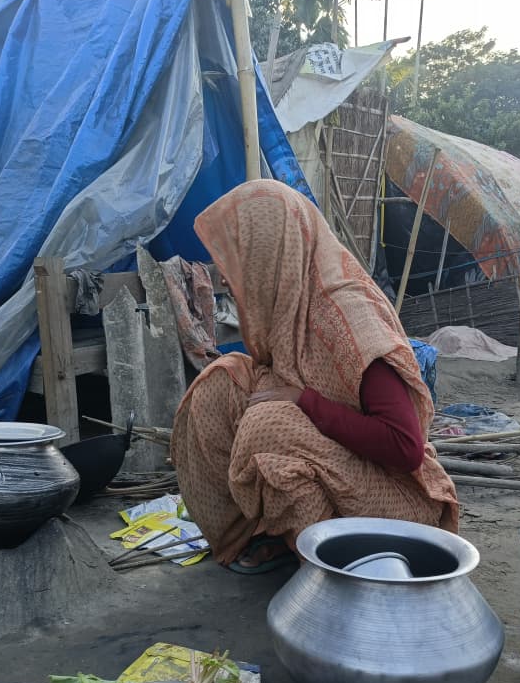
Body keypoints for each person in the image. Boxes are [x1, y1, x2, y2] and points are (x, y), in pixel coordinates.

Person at [171, 180, 459, 574]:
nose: (223, 277)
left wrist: (302, 401)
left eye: (238, 256)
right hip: (339, 457)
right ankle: (260, 535)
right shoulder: (294, 302)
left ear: (273, 250)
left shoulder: (351, 321)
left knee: (270, 426)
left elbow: (404, 446)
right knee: (221, 384)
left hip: (395, 495)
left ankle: (332, 566)